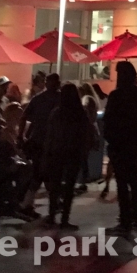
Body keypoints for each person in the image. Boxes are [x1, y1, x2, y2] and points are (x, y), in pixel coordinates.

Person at [103, 61, 137, 234]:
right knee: (134, 181)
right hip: (135, 143)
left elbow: (108, 121)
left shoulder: (116, 95)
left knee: (123, 184)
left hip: (121, 144)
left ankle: (125, 221)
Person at [42, 83, 92, 229]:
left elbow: (50, 135)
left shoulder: (57, 113)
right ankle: (65, 219)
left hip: (57, 151)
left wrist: (47, 152)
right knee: (69, 186)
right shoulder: (80, 113)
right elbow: (85, 134)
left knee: (55, 186)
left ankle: (51, 216)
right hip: (74, 152)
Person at [18, 72, 61, 217]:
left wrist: (21, 136)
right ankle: (31, 203)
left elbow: (24, 117)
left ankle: (28, 203)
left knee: (41, 172)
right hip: (51, 142)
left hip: (38, 140)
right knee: (45, 173)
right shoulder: (60, 99)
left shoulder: (38, 99)